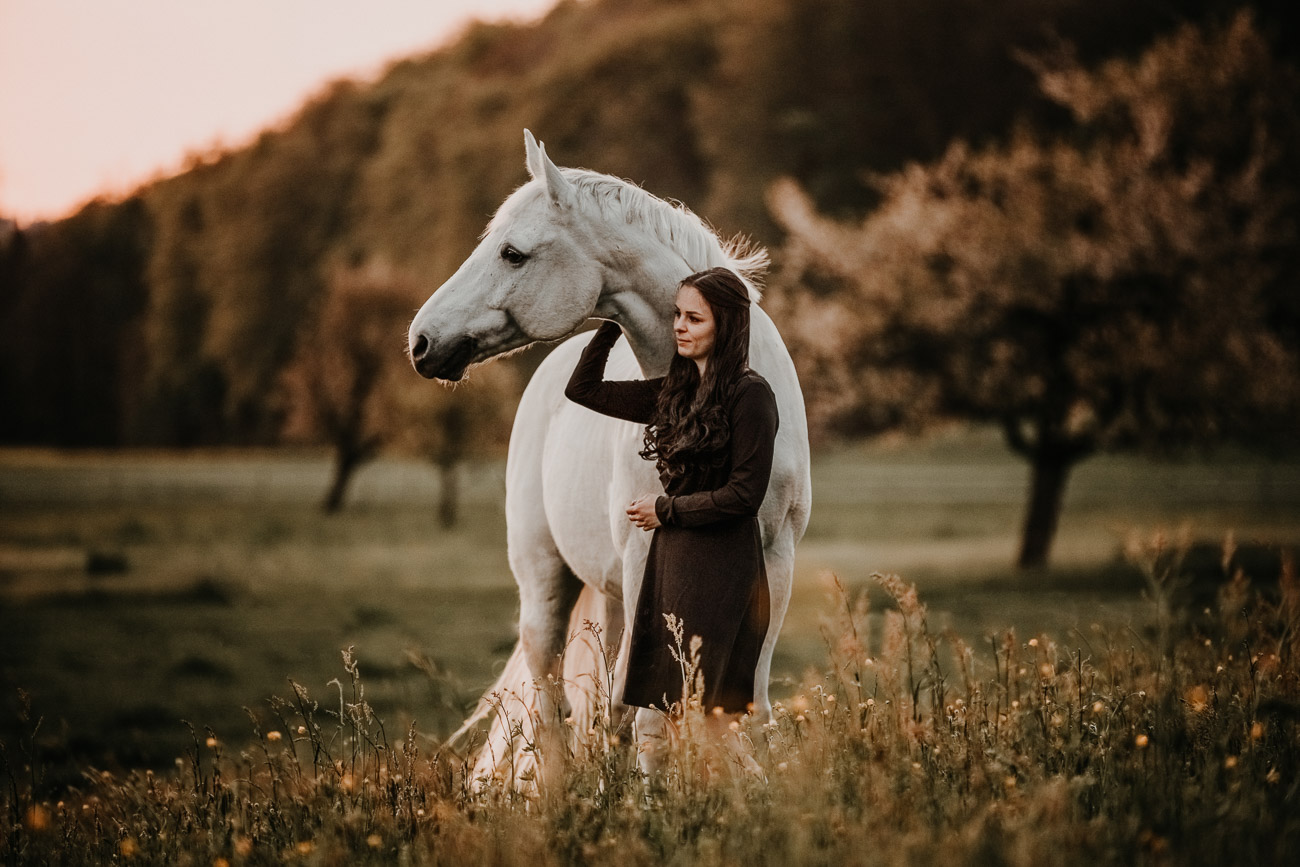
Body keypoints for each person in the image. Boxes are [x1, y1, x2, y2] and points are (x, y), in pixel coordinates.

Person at [564, 266, 778, 768]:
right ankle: (665, 817)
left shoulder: (752, 396)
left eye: (694, 318)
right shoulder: (674, 394)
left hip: (724, 567)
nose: (679, 326)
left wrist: (667, 509)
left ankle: (761, 814)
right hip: (672, 565)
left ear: (724, 325)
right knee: (659, 714)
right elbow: (584, 388)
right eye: (676, 315)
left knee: (713, 720)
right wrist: (615, 319)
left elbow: (745, 496)